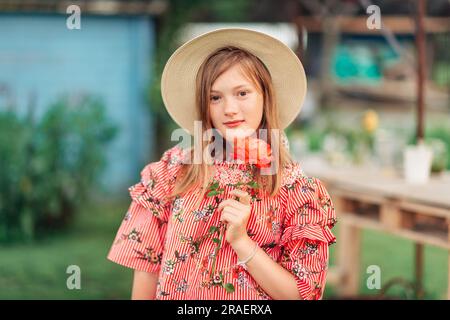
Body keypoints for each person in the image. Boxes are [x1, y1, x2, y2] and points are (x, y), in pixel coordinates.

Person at [107, 28, 337, 300]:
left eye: (242, 93)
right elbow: (146, 272)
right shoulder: (173, 173)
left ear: (265, 97)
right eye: (215, 97)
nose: (229, 109)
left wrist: (242, 242)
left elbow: (302, 296)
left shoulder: (295, 191)